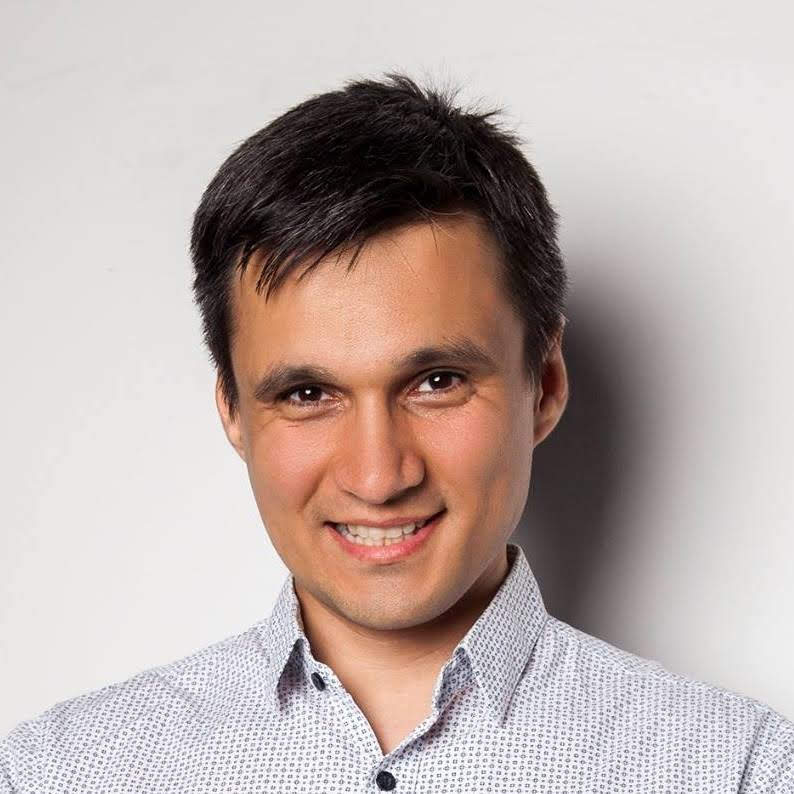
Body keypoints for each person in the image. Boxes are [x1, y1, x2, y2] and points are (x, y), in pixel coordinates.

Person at [2, 73, 792, 793]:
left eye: (437, 382)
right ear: (234, 413)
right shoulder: (59, 774)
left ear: (544, 385)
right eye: (307, 394)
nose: (378, 476)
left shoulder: (738, 770)